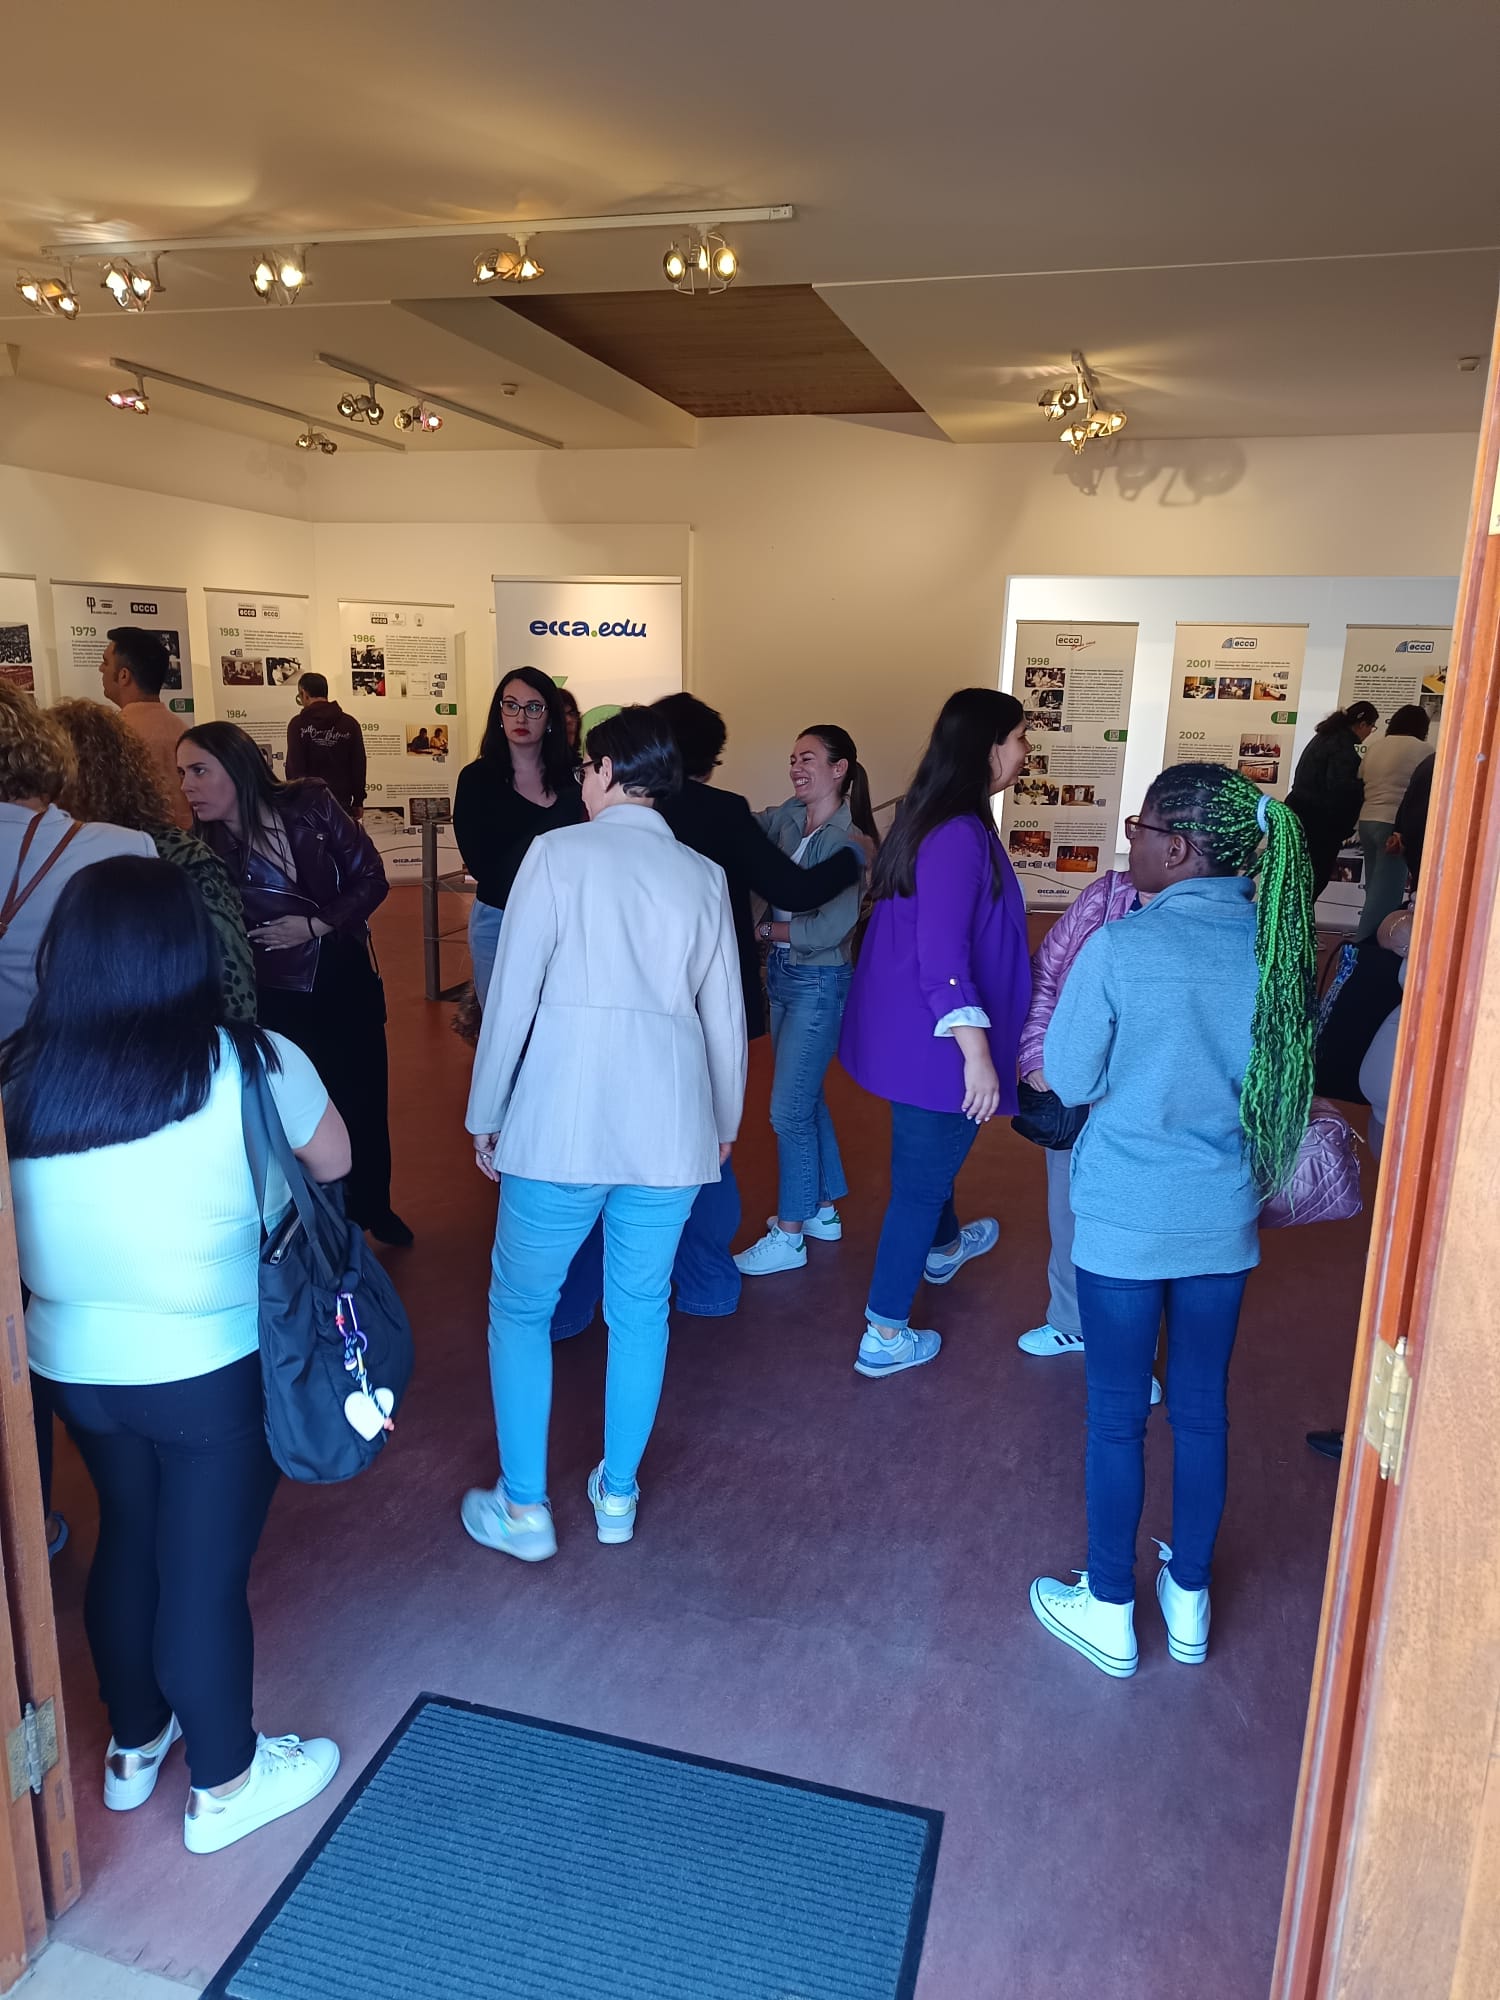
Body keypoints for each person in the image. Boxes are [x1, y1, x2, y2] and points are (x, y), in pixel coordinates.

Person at [2, 857, 348, 1851]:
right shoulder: (255, 1061)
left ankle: (133, 1744)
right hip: (212, 1366)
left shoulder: (21, 1071)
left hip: (71, 1367)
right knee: (202, 1571)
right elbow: (336, 1160)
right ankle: (228, 1781)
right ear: (190, 952)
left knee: (129, 1534)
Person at [1030, 764, 1316, 1677]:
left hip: (1124, 1221)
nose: (1132, 841)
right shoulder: (1277, 953)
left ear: (1180, 848)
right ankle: (1187, 1595)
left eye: (1141, 828)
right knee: (1201, 1412)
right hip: (1221, 1223)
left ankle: (1110, 1606)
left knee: (1116, 1418)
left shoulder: (1122, 948)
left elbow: (1069, 1078)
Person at [462, 708, 745, 1559]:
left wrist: (486, 1112)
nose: (582, 779)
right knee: (641, 1310)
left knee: (520, 1308)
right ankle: (617, 1495)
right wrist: (723, 1122)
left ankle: (524, 1508)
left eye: (588, 767)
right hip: (671, 1128)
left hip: (560, 1121)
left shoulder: (556, 854)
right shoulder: (703, 875)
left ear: (611, 770)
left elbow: (511, 999)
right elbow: (725, 1019)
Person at [838, 688, 1032, 1379]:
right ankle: (884, 1334)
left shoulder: (939, 820)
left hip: (915, 1038)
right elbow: (944, 955)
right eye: (1019, 738)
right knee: (919, 1186)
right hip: (941, 1044)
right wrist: (978, 1056)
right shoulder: (956, 834)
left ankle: (945, 1249)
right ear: (987, 747)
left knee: (927, 1163)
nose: (1026, 752)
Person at [177, 721, 412, 1246]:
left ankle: (373, 1206)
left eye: (199, 770)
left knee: (364, 1097)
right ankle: (317, 1227)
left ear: (236, 768)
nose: (188, 786)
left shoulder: (312, 803)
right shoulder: (205, 852)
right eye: (183, 773)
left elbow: (371, 877)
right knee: (299, 1111)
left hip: (345, 976)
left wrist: (316, 924)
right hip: (276, 996)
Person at [735, 725, 876, 1275]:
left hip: (820, 982)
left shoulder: (850, 841)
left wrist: (765, 931)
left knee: (787, 1112)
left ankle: (790, 1236)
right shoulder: (788, 818)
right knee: (806, 1099)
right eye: (793, 758)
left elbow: (827, 930)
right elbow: (743, 827)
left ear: (839, 769)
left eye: (808, 758)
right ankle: (821, 1210)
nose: (796, 767)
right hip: (782, 976)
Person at [1014, 867, 1152, 1365]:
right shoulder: (1107, 894)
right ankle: (1072, 1322)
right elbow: (1045, 973)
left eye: (1144, 832)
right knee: (1068, 1210)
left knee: (1140, 1226)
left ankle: (1133, 1352)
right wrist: (1036, 1054)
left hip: (1148, 1106)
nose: (1132, 839)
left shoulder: (1211, 920)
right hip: (1077, 1095)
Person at [52, 698, 257, 1022]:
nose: (186, 785)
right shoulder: (181, 849)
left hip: (172, 1039)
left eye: (198, 771)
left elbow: (233, 985)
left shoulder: (181, 856)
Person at [452, 669, 583, 1007]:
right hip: (499, 917)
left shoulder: (577, 777)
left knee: (559, 1022)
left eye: (534, 707)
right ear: (499, 713)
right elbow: (481, 864)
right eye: (511, 705)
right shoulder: (477, 779)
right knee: (502, 1023)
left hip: (565, 921)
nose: (521, 717)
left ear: (551, 716)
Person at [100, 627, 192, 830]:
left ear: (124, 676)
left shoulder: (113, 735)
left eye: (105, 662)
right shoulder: (184, 731)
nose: (100, 669)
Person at [1285, 700, 1378, 901]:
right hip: (1319, 824)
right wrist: (1364, 786)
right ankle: (1298, 919)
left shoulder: (1324, 737)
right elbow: (1340, 789)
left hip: (1298, 813)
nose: (1370, 733)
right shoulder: (1342, 748)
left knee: (1295, 879)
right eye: (1372, 727)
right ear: (1363, 725)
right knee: (1314, 879)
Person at [1353, 705, 1431, 941]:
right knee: (1386, 894)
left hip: (1367, 821)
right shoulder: (1424, 750)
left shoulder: (1376, 747)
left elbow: (1361, 777)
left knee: (1374, 889)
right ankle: (1363, 946)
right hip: (1393, 826)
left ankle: (1366, 944)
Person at [286, 672, 367, 818]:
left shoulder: (297, 725)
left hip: (308, 807)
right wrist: (358, 800)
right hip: (342, 804)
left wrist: (296, 802)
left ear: (304, 694)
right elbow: (358, 765)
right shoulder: (350, 724)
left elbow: (294, 769)